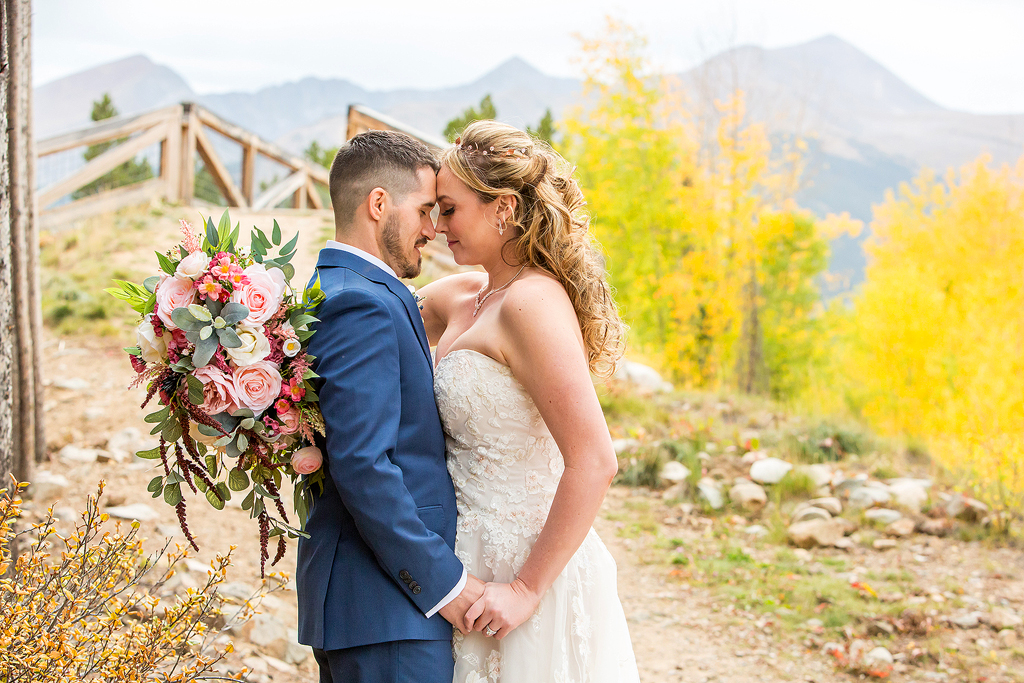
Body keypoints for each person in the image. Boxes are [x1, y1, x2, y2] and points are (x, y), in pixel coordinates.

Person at [417, 120, 641, 682]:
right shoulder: (462, 295)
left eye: (448, 208)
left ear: (503, 208)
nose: (438, 225)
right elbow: (364, 336)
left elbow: (594, 460)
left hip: (526, 562)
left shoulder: (531, 303)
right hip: (464, 556)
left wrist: (525, 588)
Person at [296, 130, 484, 683]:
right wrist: (442, 580)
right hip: (389, 604)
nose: (434, 228)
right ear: (379, 204)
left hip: (374, 604)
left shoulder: (337, 286)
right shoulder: (361, 303)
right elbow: (363, 463)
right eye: (426, 210)